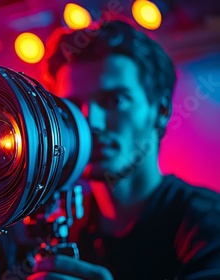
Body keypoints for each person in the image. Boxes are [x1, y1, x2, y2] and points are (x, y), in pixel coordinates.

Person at [28, 18, 220, 279]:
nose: (90, 122)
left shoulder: (207, 225)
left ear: (161, 110)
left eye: (114, 100)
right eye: (72, 106)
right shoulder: (58, 228)